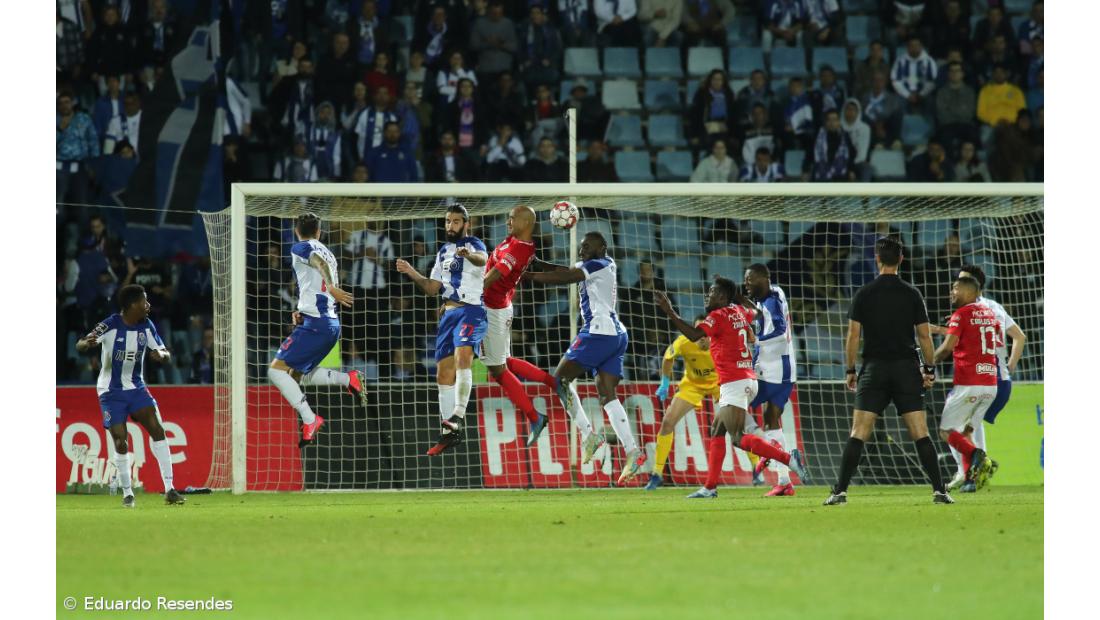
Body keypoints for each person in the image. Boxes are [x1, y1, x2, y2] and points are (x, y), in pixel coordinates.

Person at [824, 237, 951, 506]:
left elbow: (852, 336)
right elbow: (925, 337)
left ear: (876, 258)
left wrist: (850, 369)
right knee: (920, 432)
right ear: (901, 259)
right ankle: (940, 491)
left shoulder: (864, 293)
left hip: (874, 369)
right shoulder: (912, 293)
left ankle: (840, 492)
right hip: (906, 369)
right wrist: (929, 369)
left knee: (858, 431)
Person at [655, 277, 809, 499]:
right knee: (717, 430)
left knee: (737, 438)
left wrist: (670, 311)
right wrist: (737, 295)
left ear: (723, 298)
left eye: (712, 292)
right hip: (747, 379)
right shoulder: (739, 311)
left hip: (734, 382)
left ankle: (787, 458)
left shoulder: (716, 316)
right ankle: (709, 487)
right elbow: (756, 311)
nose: (707, 295)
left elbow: (694, 335)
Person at [524, 232, 643, 482]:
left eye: (587, 246)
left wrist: (529, 276)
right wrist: (538, 263)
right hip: (616, 334)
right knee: (606, 394)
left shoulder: (602, 263)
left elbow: (568, 276)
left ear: (602, 248)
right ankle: (633, 452)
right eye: (581, 247)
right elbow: (565, 268)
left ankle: (589, 435)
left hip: (598, 332)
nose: (582, 250)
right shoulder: (598, 264)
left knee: (559, 381)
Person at [75, 285, 185, 507]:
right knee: (120, 439)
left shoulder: (147, 326)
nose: (148, 306)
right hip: (111, 391)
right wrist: (87, 344)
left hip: (136, 388)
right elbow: (80, 344)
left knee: (157, 429)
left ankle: (170, 488)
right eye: (145, 302)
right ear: (132, 305)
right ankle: (128, 493)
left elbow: (165, 352)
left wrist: (161, 355)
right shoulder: (110, 324)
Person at [267, 214, 368, 447]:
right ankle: (348, 379)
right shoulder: (329, 253)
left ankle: (310, 419)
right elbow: (314, 283)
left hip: (318, 324)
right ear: (320, 232)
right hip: (326, 323)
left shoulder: (301, 247)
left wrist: (332, 287)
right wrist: (302, 308)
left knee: (276, 372)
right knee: (295, 375)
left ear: (296, 230)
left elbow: (317, 265)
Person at [396, 205, 490, 455]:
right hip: (448, 313)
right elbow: (431, 288)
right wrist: (411, 272)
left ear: (465, 224)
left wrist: (468, 255)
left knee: (462, 359)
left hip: (471, 309)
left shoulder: (474, 244)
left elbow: (483, 260)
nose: (450, 226)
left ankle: (458, 416)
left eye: (456, 221)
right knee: (443, 375)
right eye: (448, 221)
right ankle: (449, 432)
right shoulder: (443, 251)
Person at [934, 265, 1027, 492]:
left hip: (982, 376)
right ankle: (970, 473)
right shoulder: (992, 308)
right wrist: (1008, 369)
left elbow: (954, 343)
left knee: (957, 426)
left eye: (961, 282)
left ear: (973, 287)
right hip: (997, 379)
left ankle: (973, 467)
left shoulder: (969, 311)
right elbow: (1019, 337)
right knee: (968, 427)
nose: (955, 287)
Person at [644, 316, 764, 491]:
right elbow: (668, 358)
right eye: (697, 333)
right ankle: (657, 474)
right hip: (692, 385)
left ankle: (756, 470)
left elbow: (744, 356)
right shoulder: (683, 342)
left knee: (739, 425)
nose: (701, 338)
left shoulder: (724, 342)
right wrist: (664, 382)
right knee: (668, 421)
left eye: (704, 334)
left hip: (720, 383)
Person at [478, 205, 557, 447]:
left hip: (494, 310)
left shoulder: (519, 248)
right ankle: (553, 384)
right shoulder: (513, 241)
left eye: (512, 218)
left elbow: (497, 273)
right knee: (505, 363)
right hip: (497, 307)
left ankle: (536, 417)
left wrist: (471, 292)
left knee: (498, 370)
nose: (508, 221)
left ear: (526, 223)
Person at [931, 276, 1001, 491]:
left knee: (946, 431)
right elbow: (993, 336)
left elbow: (946, 349)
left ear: (970, 292)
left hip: (969, 382)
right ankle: (970, 480)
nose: (952, 292)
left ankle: (979, 456)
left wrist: (928, 363)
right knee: (966, 430)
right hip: (990, 383)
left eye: (956, 288)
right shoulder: (989, 313)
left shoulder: (960, 314)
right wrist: (947, 328)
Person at [744, 264, 801, 497]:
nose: (746, 283)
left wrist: (754, 341)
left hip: (778, 368)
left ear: (764, 279)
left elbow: (779, 331)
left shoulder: (772, 300)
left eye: (750, 280)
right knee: (769, 420)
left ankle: (772, 458)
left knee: (738, 406)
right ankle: (780, 472)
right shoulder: (770, 295)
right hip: (771, 367)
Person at [891, 36, 938, 113]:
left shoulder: (929, 61)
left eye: (917, 45)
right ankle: (903, 124)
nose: (914, 48)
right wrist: (907, 95)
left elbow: (932, 81)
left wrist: (921, 94)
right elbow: (895, 81)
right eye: (912, 45)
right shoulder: (900, 60)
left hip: (924, 93)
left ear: (921, 47)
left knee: (931, 101)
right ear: (907, 48)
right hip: (905, 93)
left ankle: (927, 123)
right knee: (897, 102)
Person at [810, 109, 856, 182]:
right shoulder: (818, 136)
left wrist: (851, 169)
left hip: (840, 174)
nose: (832, 123)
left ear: (839, 122)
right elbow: (810, 154)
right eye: (829, 120)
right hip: (822, 172)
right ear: (825, 122)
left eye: (834, 120)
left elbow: (852, 154)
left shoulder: (845, 136)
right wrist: (805, 169)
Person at [977, 64, 1026, 128]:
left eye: (1001, 72)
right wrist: (993, 122)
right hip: (991, 125)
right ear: (992, 74)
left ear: (1006, 74)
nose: (999, 75)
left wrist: (1011, 122)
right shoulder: (985, 91)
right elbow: (980, 113)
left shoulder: (1016, 91)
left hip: (1012, 125)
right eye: (996, 72)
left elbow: (1022, 111)